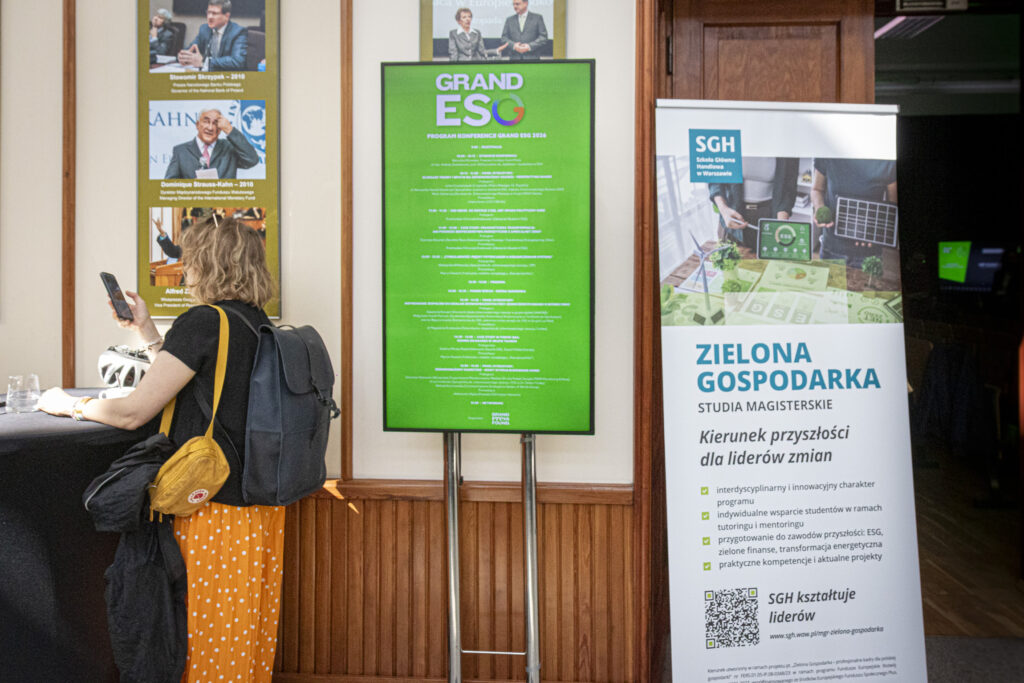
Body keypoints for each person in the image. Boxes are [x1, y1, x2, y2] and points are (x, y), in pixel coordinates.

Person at [40, 216, 283, 683]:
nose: (185, 269)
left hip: (208, 509)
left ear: (207, 264)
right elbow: (192, 385)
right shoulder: (253, 324)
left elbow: (133, 412)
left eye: (190, 260)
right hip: (254, 511)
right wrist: (147, 330)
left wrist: (69, 405)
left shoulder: (204, 321)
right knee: (235, 638)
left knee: (196, 641)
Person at [811, 157, 898, 267]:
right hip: (832, 247)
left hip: (869, 252)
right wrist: (819, 207)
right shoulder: (828, 155)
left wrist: (876, 231)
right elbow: (817, 189)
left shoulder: (887, 159)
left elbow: (893, 206)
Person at [707, 157, 799, 249]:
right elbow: (714, 178)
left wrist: (781, 221)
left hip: (769, 215)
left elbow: (789, 185)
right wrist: (723, 209)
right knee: (729, 256)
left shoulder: (786, 149)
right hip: (732, 215)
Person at [165, 108, 260, 180]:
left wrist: (229, 130)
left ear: (220, 129)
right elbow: (169, 185)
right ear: (197, 125)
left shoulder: (230, 148)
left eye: (215, 123)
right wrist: (191, 187)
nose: (210, 128)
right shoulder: (181, 151)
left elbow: (252, 160)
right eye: (206, 121)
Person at [177, 0, 247, 72]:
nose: (210, 17)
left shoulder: (237, 32)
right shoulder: (205, 29)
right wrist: (183, 56)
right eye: (208, 12)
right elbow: (192, 49)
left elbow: (237, 61)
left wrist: (205, 62)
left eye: (214, 13)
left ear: (227, 16)